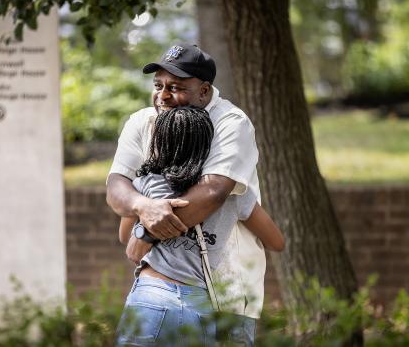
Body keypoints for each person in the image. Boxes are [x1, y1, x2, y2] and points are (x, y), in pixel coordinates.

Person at [107, 42, 267, 321]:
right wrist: (142, 205)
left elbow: (213, 191)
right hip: (159, 291)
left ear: (204, 91)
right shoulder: (142, 121)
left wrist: (146, 233)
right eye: (158, 85)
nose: (163, 96)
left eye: (176, 88)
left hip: (225, 291)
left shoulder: (231, 123)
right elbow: (116, 185)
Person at [115, 106, 284, 346]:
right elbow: (276, 242)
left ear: (159, 142)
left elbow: (125, 237)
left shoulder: (145, 184)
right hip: (200, 304)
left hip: (151, 294)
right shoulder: (231, 193)